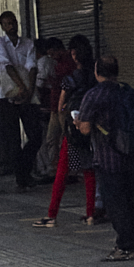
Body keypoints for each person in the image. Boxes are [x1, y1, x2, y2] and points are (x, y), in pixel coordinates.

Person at [71, 54, 134, 258]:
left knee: (114, 203)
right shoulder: (127, 91)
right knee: (128, 200)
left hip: (107, 157)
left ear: (96, 72)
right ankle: (131, 242)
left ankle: (126, 246)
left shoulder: (95, 95)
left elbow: (85, 129)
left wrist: (78, 122)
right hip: (130, 154)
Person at [42, 35, 102, 230]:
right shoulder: (96, 75)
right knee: (89, 170)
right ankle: (91, 213)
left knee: (62, 170)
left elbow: (60, 106)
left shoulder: (71, 79)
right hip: (94, 129)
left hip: (74, 129)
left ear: (75, 54)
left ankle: (51, 215)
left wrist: (66, 108)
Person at [0, 9, 49, 192]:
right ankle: (21, 178)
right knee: (13, 139)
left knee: (35, 136)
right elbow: (5, 65)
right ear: (2, 26)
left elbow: (32, 67)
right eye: (7, 24)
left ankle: (24, 169)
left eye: (13, 22)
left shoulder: (27, 43)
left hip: (28, 95)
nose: (11, 26)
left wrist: (29, 90)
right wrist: (21, 87)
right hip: (8, 95)